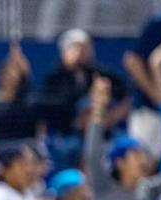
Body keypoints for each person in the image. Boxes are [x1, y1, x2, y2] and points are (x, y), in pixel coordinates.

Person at [39, 29, 127, 170]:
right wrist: (77, 120)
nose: (83, 52)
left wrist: (111, 117)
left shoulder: (102, 74)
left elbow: (126, 97)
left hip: (103, 133)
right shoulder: (55, 78)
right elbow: (49, 109)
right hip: (67, 135)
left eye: (86, 48)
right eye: (77, 47)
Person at [124, 11, 161, 162]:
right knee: (140, 166)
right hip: (149, 114)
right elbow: (132, 61)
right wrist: (156, 96)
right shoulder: (160, 22)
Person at [0, 42, 41, 146]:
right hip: (2, 151)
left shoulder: (31, 103)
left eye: (16, 75)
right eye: (7, 75)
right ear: (1, 77)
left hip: (27, 149)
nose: (11, 78)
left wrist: (25, 74)